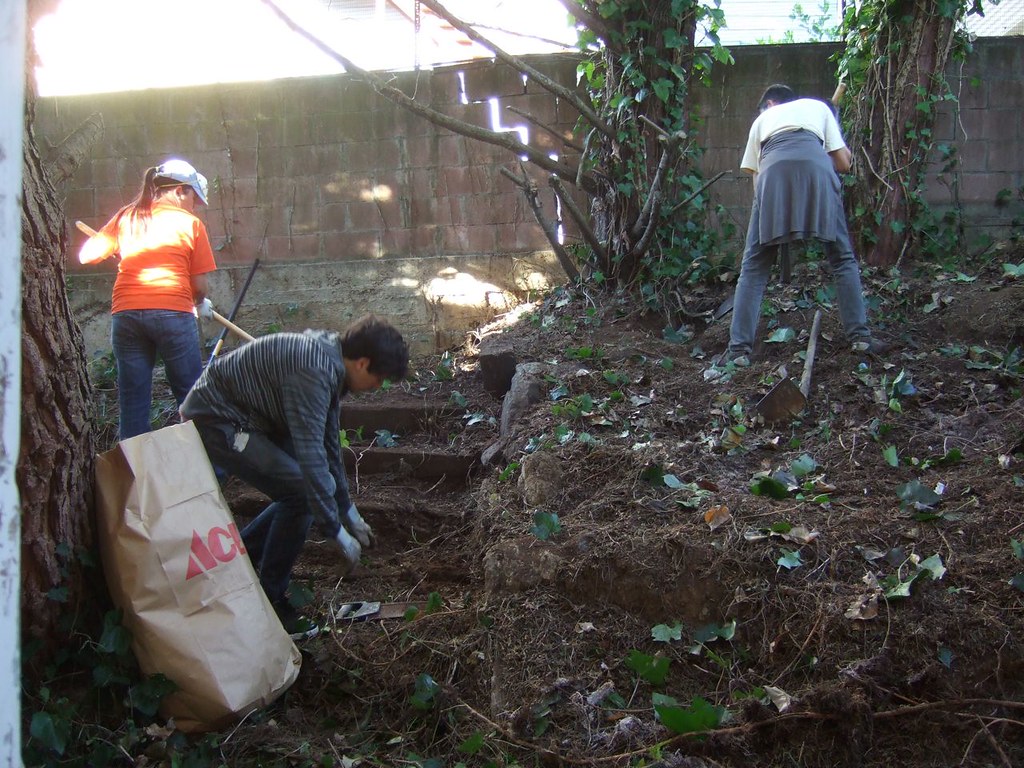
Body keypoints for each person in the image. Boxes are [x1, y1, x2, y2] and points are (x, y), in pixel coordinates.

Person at [180, 315, 410, 639]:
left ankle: (240, 561)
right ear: (362, 363)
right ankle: (271, 600)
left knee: (308, 491)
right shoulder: (313, 372)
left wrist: (347, 510)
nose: (377, 388)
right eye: (379, 379)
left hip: (252, 417)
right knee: (302, 492)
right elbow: (311, 454)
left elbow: (330, 441)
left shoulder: (329, 361)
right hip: (218, 421)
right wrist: (335, 531)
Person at [720, 84, 886, 367]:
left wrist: (769, 220)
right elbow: (844, 164)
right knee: (842, 258)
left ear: (770, 105)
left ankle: (737, 352)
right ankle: (860, 337)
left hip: (772, 176)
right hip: (817, 169)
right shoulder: (819, 108)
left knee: (754, 267)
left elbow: (757, 181)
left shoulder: (760, 121)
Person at [79, 158, 217, 440]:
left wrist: (118, 244)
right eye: (194, 198)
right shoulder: (190, 224)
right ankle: (212, 472)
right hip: (173, 314)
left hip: (127, 315)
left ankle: (138, 478)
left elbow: (86, 255)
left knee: (133, 403)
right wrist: (200, 302)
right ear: (180, 191)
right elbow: (199, 285)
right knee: (192, 397)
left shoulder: (128, 216)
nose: (195, 206)